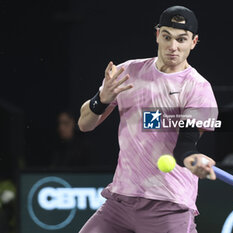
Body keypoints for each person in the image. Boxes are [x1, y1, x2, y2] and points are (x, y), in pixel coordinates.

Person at [77, 6, 218, 233]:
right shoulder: (127, 72)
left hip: (168, 204)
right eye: (167, 37)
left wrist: (194, 160)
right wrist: (102, 99)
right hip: (121, 200)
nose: (173, 47)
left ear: (194, 42)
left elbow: (185, 147)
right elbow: (84, 124)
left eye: (182, 39)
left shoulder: (198, 88)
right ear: (157, 35)